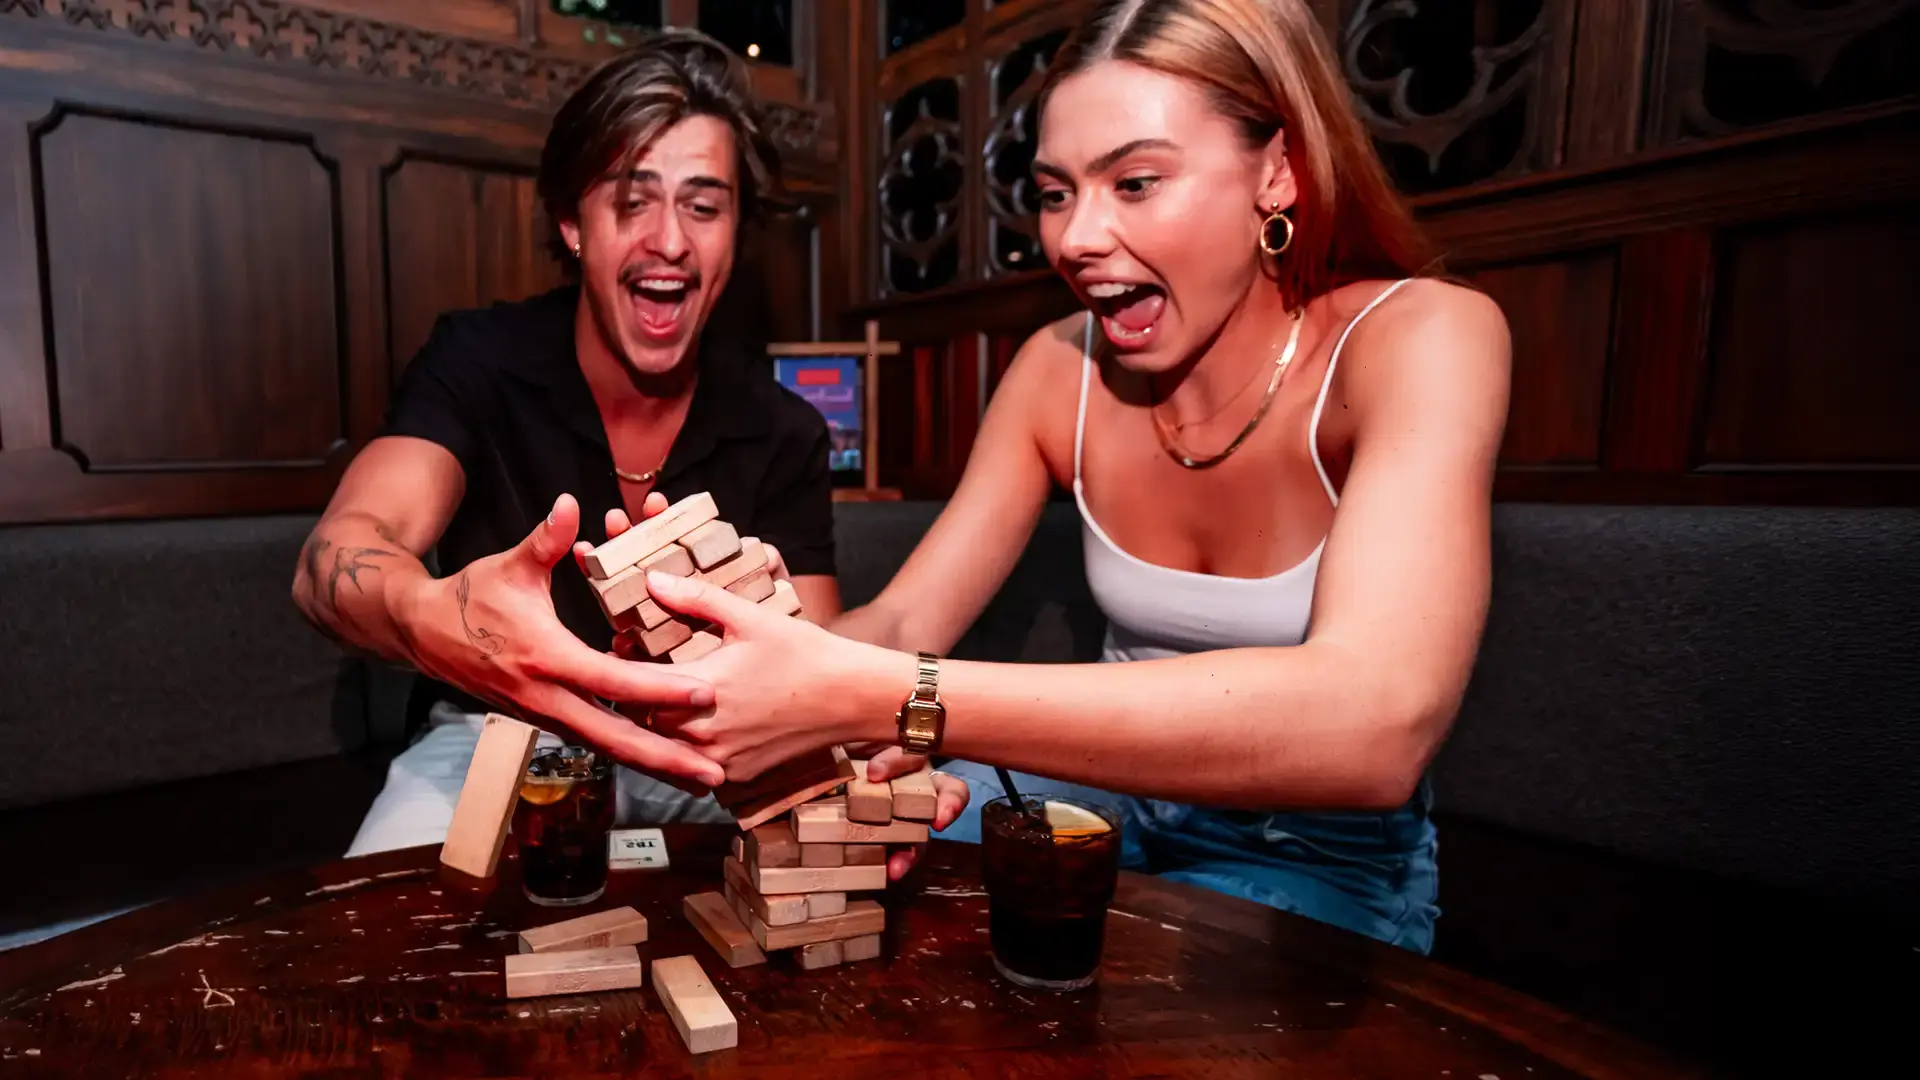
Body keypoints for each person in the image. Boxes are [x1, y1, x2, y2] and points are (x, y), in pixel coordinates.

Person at [626, 0, 1511, 954]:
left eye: (1134, 182)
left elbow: (1377, 726)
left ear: (1278, 172)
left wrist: (885, 694)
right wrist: (750, 657)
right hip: (1101, 803)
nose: (1077, 238)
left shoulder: (1424, 336)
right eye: (1056, 193)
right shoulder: (1060, 367)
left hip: (1318, 849)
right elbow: (901, 627)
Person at [291, 30, 965, 865]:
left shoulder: (784, 428)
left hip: (710, 747)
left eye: (704, 205)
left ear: (733, 236)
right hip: (500, 733)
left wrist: (867, 753)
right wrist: (435, 613)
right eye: (632, 198)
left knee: (843, 882)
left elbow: (809, 660)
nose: (671, 240)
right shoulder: (480, 361)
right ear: (574, 223)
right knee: (384, 933)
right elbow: (340, 550)